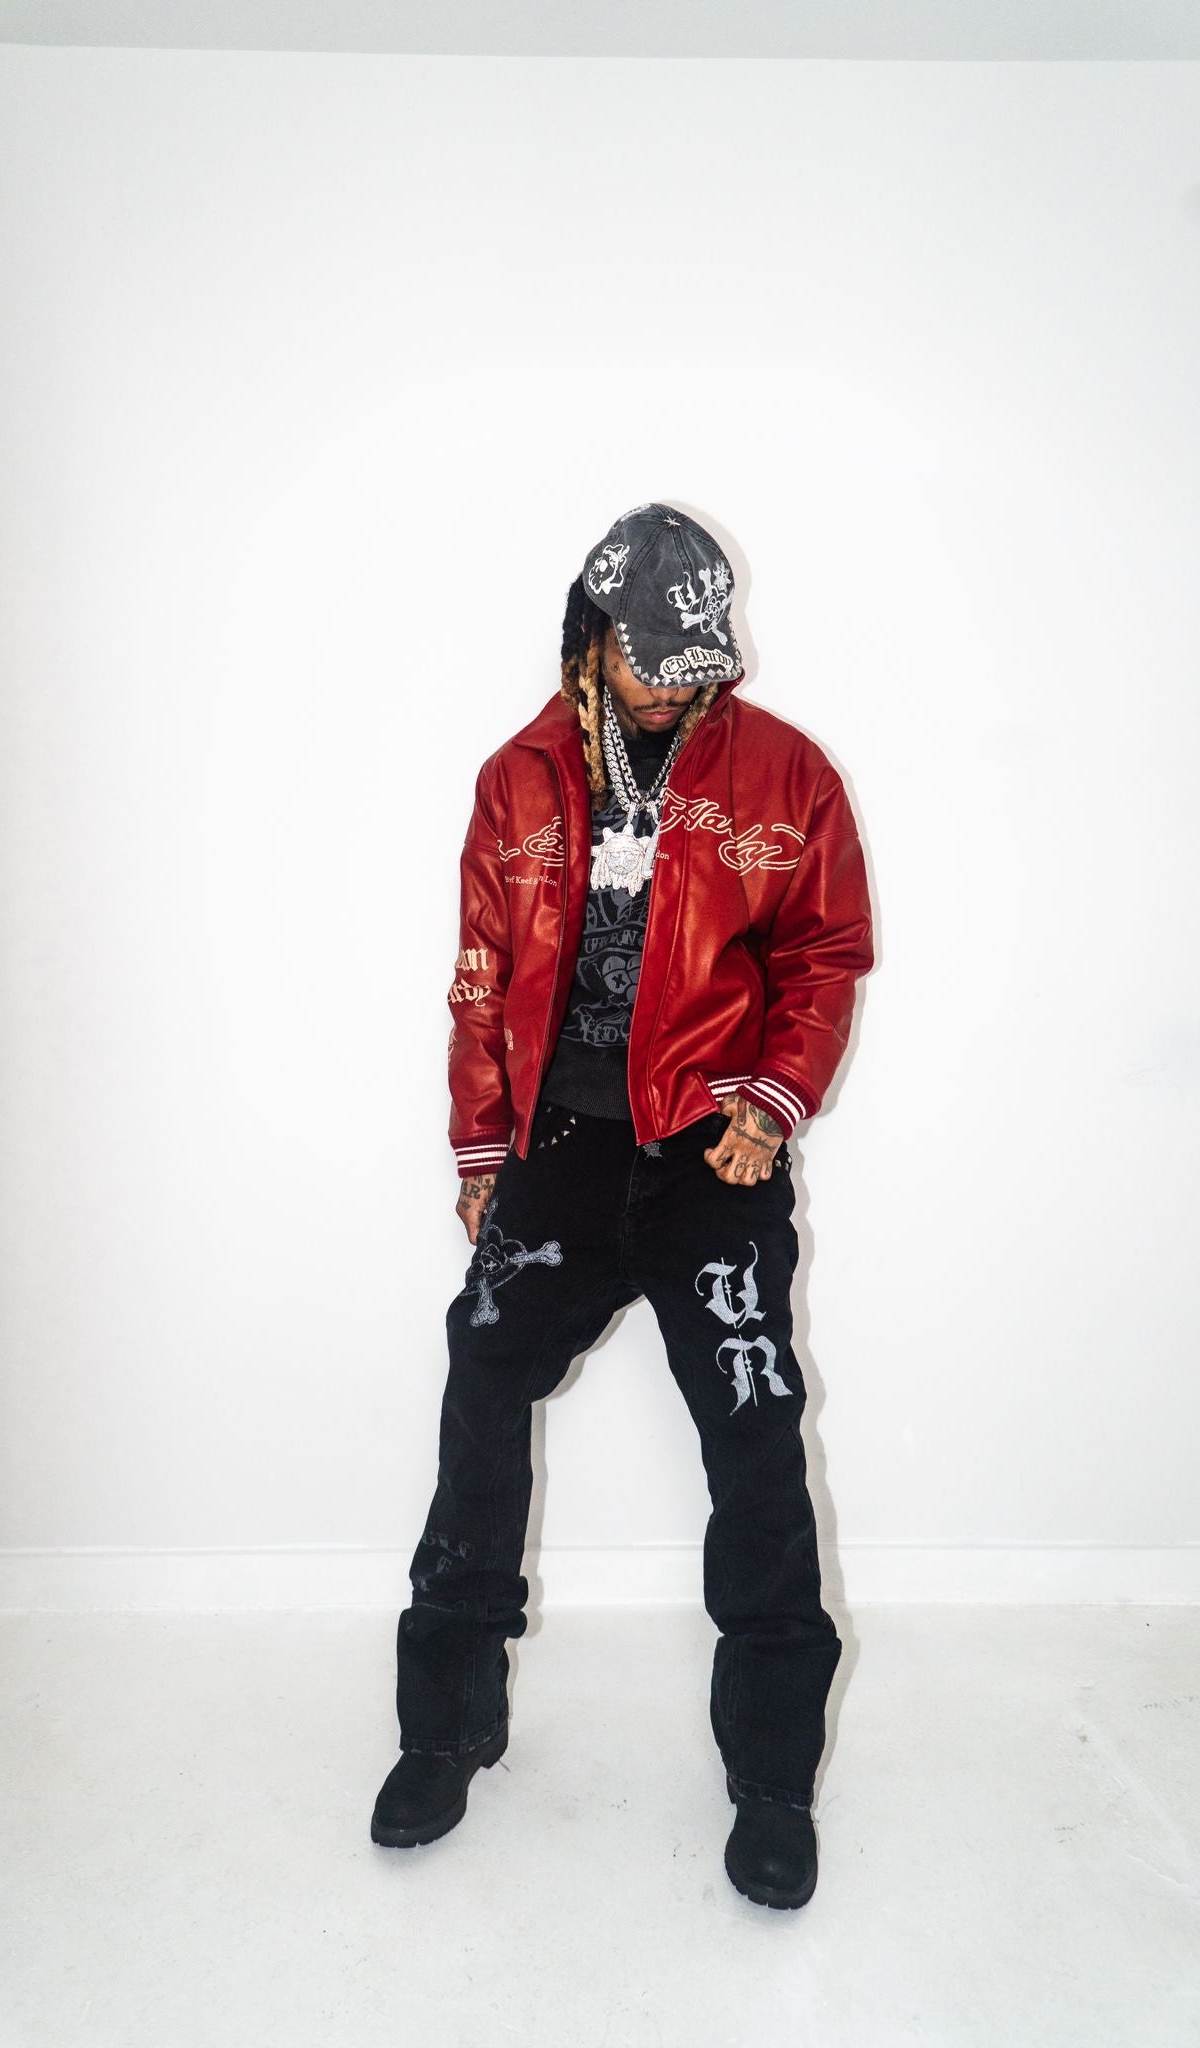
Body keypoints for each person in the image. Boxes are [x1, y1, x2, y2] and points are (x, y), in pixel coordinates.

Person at [370, 503, 874, 1911]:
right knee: (480, 1382)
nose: (673, 687)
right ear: (591, 641)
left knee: (756, 1431)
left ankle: (772, 1775)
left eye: (694, 664)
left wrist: (769, 1103)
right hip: (562, 1145)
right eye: (651, 660)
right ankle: (445, 1726)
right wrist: (482, 1150)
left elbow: (824, 953)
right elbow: (480, 973)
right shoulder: (518, 779)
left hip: (712, 1146)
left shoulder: (784, 774)